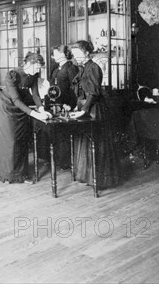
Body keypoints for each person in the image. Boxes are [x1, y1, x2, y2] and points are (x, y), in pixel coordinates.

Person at [0, 52, 52, 184]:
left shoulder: (34, 75)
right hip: (6, 108)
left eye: (39, 69)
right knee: (10, 141)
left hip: (21, 109)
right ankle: (6, 174)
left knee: (20, 140)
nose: (38, 71)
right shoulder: (13, 75)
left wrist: (41, 109)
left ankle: (20, 175)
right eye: (36, 68)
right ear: (29, 64)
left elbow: (35, 94)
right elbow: (16, 99)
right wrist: (35, 114)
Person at [69, 40, 122, 188]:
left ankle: (100, 179)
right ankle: (89, 177)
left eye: (78, 54)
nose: (76, 57)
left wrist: (83, 110)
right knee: (86, 142)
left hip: (94, 110)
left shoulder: (93, 68)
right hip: (86, 108)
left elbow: (93, 93)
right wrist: (77, 107)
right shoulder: (83, 68)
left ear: (87, 53)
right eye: (74, 55)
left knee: (96, 143)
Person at [45, 45, 79, 168]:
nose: (53, 56)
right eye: (54, 54)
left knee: (64, 134)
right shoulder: (56, 69)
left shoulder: (71, 68)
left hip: (67, 105)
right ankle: (57, 159)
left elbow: (75, 89)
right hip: (56, 104)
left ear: (65, 54)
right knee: (56, 133)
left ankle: (65, 162)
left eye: (56, 54)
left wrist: (71, 104)